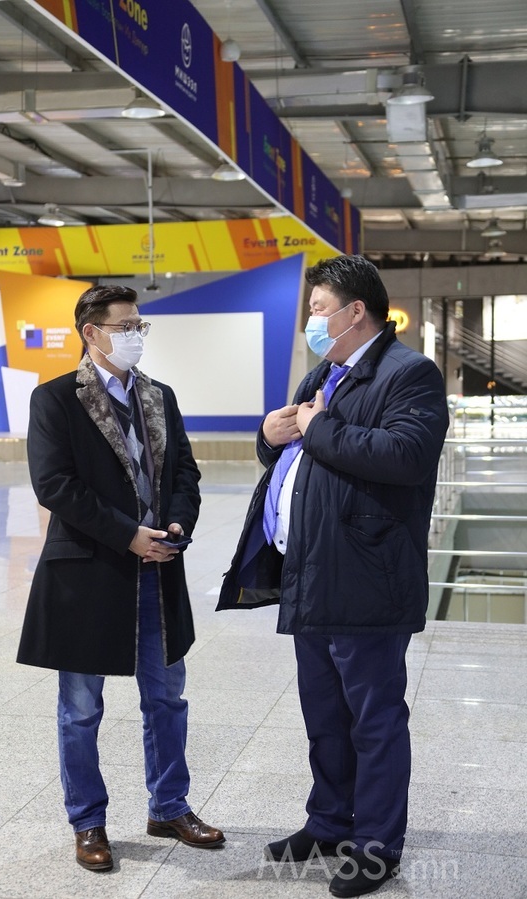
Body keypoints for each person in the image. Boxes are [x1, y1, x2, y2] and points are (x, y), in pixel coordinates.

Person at [217, 255, 449, 897]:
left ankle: (376, 845)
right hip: (313, 571)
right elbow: (297, 451)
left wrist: (319, 425)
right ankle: (329, 821)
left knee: (373, 718)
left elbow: (404, 456)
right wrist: (270, 436)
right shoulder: (325, 370)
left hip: (367, 575)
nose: (311, 322)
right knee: (324, 714)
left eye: (318, 309)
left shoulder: (410, 374)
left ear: (355, 311)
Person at [17, 284, 224, 872]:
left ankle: (169, 807)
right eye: (125, 326)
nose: (136, 335)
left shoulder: (159, 396)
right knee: (81, 709)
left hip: (157, 572)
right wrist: (127, 534)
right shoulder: (56, 399)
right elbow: (54, 485)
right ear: (92, 332)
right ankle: (88, 821)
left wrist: (177, 523)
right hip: (90, 572)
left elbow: (185, 472)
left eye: (140, 326)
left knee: (167, 698)